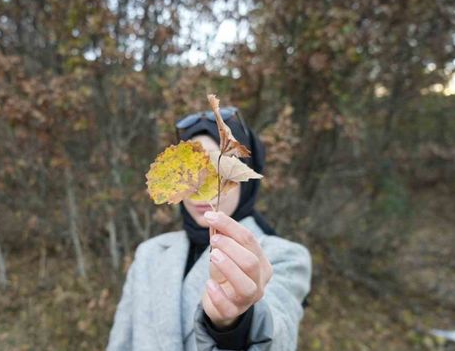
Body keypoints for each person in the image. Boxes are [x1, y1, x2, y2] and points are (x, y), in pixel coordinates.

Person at [106, 106, 312, 351]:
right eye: (189, 171)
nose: (200, 187)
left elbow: (280, 335)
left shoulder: (284, 256)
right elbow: (120, 343)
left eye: (218, 169)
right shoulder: (149, 254)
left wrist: (234, 324)